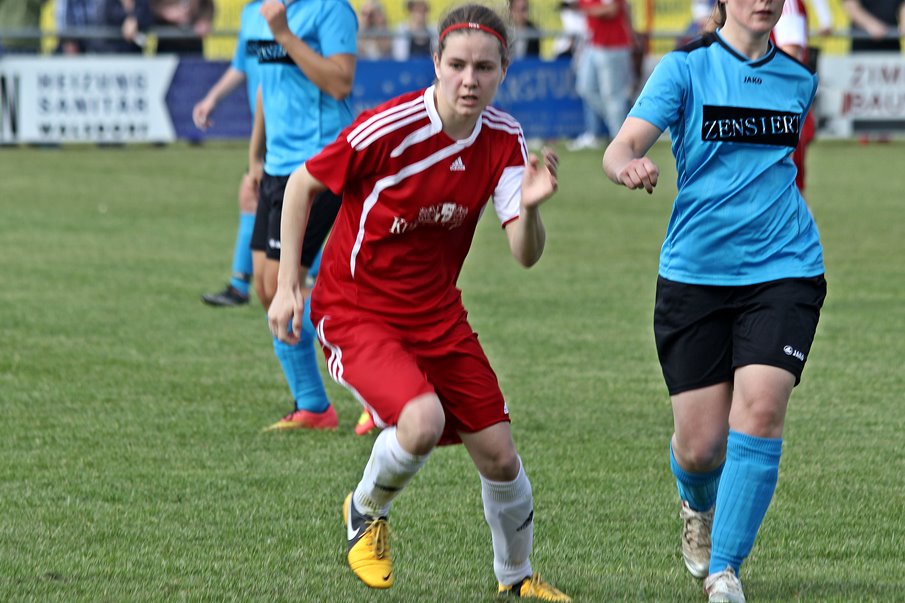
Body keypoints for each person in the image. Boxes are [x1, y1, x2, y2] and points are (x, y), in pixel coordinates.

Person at [268, 4, 571, 599]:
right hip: (356, 309)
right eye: (456, 65)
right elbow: (302, 185)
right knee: (422, 422)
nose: (469, 79)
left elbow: (525, 253)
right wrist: (286, 286)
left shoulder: (504, 138)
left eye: (484, 68)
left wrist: (531, 210)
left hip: (438, 315)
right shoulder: (388, 129)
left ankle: (516, 580)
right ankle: (364, 512)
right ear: (435, 63)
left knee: (501, 457)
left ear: (504, 71)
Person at [602, 0, 827, 598]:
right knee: (701, 450)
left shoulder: (798, 79)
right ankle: (697, 505)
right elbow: (619, 147)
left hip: (785, 267)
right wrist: (628, 166)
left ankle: (726, 572)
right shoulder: (684, 69)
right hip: (696, 275)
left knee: (762, 408)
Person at [248, 0, 357, 432]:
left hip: (319, 164)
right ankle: (313, 405)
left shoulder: (331, 9)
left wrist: (285, 35)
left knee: (286, 284)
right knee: (267, 286)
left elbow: (340, 83)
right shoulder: (260, 10)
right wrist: (254, 157)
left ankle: (376, 377)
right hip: (276, 166)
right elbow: (266, 86)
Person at [195, 0, 263, 307]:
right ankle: (239, 285)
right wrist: (212, 98)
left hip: (292, 128)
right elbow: (241, 64)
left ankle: (242, 285)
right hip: (267, 129)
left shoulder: (292, 10)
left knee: (296, 204)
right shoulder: (251, 13)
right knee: (252, 194)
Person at [569, 0, 635, 150]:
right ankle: (622, 128)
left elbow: (611, 9)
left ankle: (621, 139)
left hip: (613, 46)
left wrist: (584, 8)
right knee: (585, 88)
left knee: (612, 96)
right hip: (594, 44)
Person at [772, 0, 815, 193]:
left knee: (787, 188)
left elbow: (790, 56)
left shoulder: (787, 3)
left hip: (778, 105)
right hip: (774, 104)